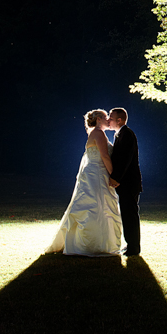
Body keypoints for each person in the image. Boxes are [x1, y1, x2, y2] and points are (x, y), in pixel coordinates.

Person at [45, 109, 123, 256]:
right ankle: (91, 244)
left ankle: (95, 242)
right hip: (97, 174)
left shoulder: (95, 133)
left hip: (94, 173)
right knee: (96, 206)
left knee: (98, 206)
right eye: (106, 117)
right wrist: (114, 176)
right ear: (99, 119)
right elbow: (105, 157)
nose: (108, 120)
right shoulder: (98, 133)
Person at [107, 107, 142, 256]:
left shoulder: (127, 134)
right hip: (126, 183)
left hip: (129, 183)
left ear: (119, 120)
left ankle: (134, 248)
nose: (109, 120)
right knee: (127, 214)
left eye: (111, 117)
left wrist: (116, 178)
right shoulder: (120, 134)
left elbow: (125, 160)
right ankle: (131, 245)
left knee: (130, 215)